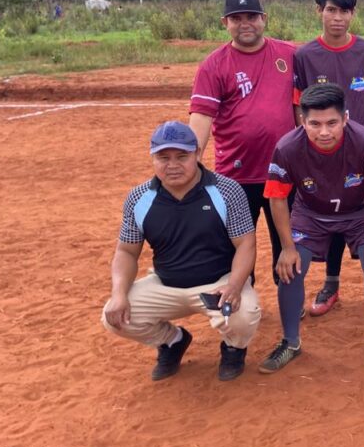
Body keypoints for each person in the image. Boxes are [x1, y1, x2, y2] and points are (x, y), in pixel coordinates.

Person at [102, 121, 261, 382]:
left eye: (182, 156)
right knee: (114, 316)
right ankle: (173, 341)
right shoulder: (138, 198)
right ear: (153, 158)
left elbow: (246, 244)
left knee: (243, 315)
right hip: (166, 283)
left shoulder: (227, 190)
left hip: (218, 283)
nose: (172, 165)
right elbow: (126, 252)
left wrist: (234, 285)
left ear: (197, 154)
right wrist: (118, 294)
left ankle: (233, 348)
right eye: (163, 157)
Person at [260, 83, 364, 373]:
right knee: (289, 269)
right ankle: (290, 342)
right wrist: (286, 248)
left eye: (332, 123)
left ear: (346, 118)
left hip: (359, 212)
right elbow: (276, 198)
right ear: (302, 121)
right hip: (311, 214)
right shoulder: (287, 148)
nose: (324, 132)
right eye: (315, 124)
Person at [293, 0, 364, 317]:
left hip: (363, 153)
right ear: (319, 11)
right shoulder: (305, 56)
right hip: (322, 154)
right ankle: (331, 283)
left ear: (353, 14)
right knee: (330, 215)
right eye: (331, 10)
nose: (338, 18)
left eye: (345, 11)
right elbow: (299, 107)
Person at [189, 0, 300, 296]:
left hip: (283, 172)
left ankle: (290, 300)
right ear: (226, 23)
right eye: (236, 19)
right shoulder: (213, 65)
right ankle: (242, 302)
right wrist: (190, 161)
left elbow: (315, 90)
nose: (245, 24)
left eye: (251, 16)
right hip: (234, 177)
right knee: (238, 243)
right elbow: (201, 118)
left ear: (263, 19)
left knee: (287, 242)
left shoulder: (290, 54)